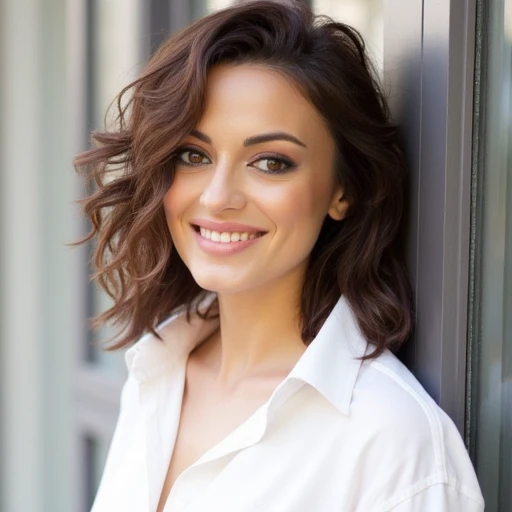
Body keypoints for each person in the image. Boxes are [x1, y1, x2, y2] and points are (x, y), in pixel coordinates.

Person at [74, 1, 485, 510]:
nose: (218, 196)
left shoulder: (391, 441)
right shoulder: (157, 372)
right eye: (193, 155)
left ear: (342, 190)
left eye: (271, 162)